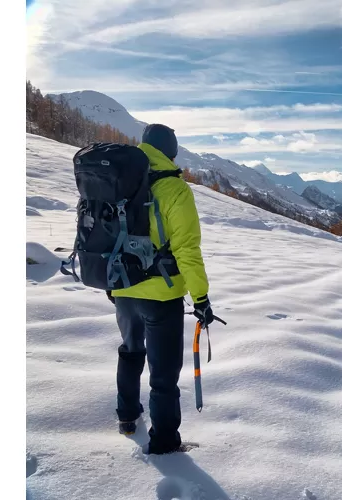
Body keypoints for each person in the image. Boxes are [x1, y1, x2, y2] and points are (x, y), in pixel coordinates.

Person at [108, 123, 216, 455]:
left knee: (130, 349)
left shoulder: (117, 179)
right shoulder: (174, 189)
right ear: (170, 151)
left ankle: (127, 417)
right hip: (161, 295)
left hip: (122, 287)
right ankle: (165, 442)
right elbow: (187, 249)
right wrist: (200, 298)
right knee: (163, 373)